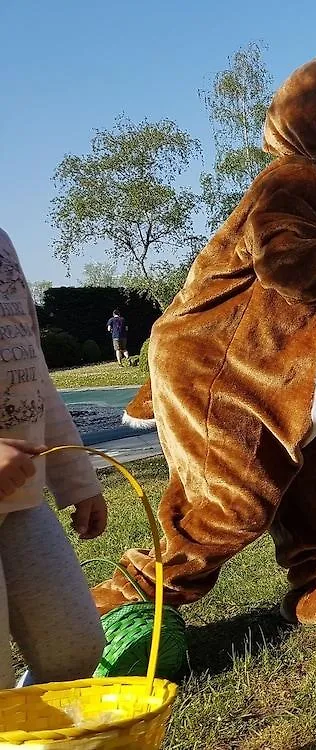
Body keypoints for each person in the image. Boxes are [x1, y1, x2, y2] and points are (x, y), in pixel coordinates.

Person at [0, 227, 108, 689]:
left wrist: (77, 480)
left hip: (22, 503)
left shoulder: (4, 241)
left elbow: (34, 372)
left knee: (73, 646)